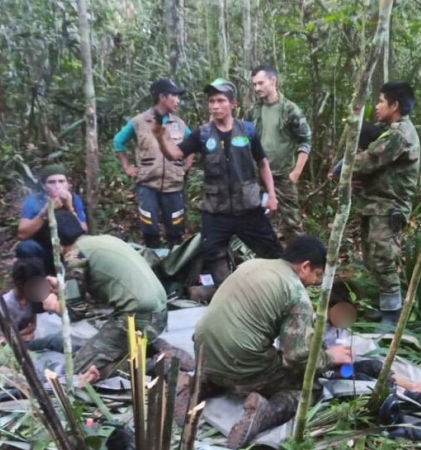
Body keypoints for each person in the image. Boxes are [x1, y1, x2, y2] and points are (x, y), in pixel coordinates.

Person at [179, 236, 353, 449]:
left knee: (233, 358)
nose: (315, 282)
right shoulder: (296, 293)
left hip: (204, 351)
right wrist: (329, 357)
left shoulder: (252, 265)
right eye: (317, 274)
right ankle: (263, 413)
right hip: (241, 362)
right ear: (305, 266)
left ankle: (196, 387)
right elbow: (296, 357)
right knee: (309, 389)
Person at [153, 78, 282, 287]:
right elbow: (174, 154)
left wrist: (272, 196)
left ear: (233, 104)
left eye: (221, 100)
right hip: (216, 210)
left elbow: (262, 163)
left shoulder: (248, 130)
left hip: (248, 207)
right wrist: (160, 137)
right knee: (213, 252)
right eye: (211, 101)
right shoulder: (202, 134)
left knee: (272, 251)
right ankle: (227, 292)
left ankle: (278, 290)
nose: (215, 106)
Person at [40, 212, 171, 381]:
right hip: (159, 312)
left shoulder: (75, 255)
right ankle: (145, 349)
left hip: (138, 318)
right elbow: (103, 287)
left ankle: (152, 365)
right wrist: (64, 288)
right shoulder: (103, 240)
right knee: (97, 352)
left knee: (75, 372)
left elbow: (75, 312)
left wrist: (54, 305)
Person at [351, 82, 421, 330]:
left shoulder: (399, 135)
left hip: (389, 206)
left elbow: (368, 160)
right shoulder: (389, 130)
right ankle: (385, 307)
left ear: (395, 105)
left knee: (384, 258)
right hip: (376, 204)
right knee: (372, 257)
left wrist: (343, 167)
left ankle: (393, 314)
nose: (377, 106)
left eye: (381, 101)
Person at [113, 78, 194, 248]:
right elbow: (118, 142)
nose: (178, 100)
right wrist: (127, 167)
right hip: (148, 184)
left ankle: (175, 265)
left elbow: (192, 144)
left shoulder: (179, 124)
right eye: (175, 96)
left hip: (173, 185)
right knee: (149, 228)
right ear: (162, 97)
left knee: (176, 228)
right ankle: (152, 263)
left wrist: (186, 166)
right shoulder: (139, 121)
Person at [247, 64, 312, 242]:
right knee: (261, 222)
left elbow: (305, 140)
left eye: (260, 83)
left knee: (292, 224)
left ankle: (300, 263)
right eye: (254, 85)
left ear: (273, 80)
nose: (257, 88)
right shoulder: (253, 111)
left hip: (284, 176)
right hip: (259, 177)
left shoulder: (290, 110)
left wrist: (296, 173)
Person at [16, 164, 88, 274]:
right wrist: (45, 212)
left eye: (61, 181)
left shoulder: (74, 199)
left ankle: (76, 279)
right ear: (44, 186)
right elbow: (22, 234)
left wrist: (70, 208)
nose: (57, 185)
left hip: (69, 249)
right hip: (44, 249)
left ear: (67, 184)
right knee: (26, 248)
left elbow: (84, 230)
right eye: (52, 182)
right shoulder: (34, 201)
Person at [0, 257, 64, 352]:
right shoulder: (5, 305)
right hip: (13, 348)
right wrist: (20, 337)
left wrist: (18, 336)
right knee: (52, 342)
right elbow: (1, 339)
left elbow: (33, 326)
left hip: (24, 340)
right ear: (20, 284)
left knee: (58, 338)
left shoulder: (32, 298)